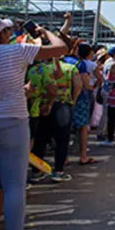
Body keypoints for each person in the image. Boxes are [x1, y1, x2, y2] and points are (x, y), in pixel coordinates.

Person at [0, 15, 67, 230]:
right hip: (13, 122)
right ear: (2, 35)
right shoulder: (16, 52)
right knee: (14, 185)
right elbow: (61, 48)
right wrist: (45, 32)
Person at [31, 55, 81, 183]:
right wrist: (73, 100)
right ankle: (59, 171)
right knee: (62, 140)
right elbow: (78, 85)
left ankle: (37, 172)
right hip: (62, 104)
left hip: (41, 106)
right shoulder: (70, 68)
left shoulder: (37, 69)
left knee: (40, 140)